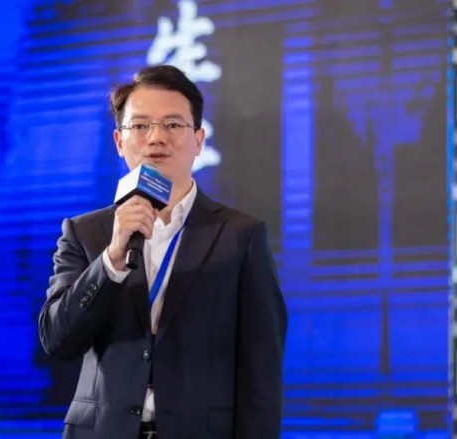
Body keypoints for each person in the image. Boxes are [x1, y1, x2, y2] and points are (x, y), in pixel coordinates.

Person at [38, 65, 287, 439]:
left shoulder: (241, 235)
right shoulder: (85, 232)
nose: (156, 138)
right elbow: (57, 339)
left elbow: (261, 367)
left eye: (173, 124)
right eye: (140, 126)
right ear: (119, 141)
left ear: (198, 140)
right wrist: (111, 260)